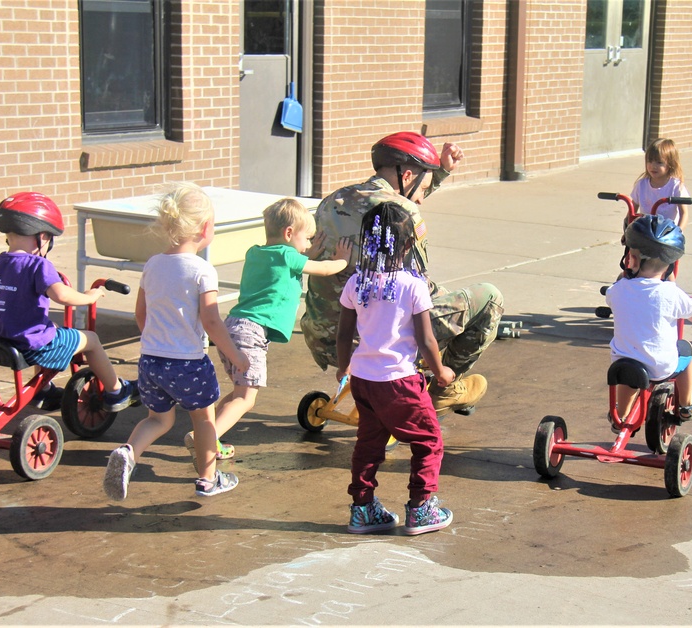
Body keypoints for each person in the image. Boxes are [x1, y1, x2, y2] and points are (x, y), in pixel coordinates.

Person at [301, 131, 503, 416]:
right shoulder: (407, 213)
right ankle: (444, 388)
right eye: (423, 189)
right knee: (488, 298)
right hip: (378, 344)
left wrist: (439, 173)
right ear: (408, 175)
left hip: (325, 339)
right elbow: (416, 284)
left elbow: (388, 204)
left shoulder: (333, 201)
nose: (421, 200)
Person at [103, 183, 247, 501]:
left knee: (157, 419)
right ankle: (208, 479)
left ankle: (129, 452)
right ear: (206, 228)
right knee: (205, 420)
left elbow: (141, 314)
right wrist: (235, 355)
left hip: (150, 360)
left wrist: (157, 341)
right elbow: (211, 321)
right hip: (189, 363)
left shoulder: (153, 265)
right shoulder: (202, 271)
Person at [337, 202, 456, 535]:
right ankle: (421, 508)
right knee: (429, 440)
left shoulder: (356, 282)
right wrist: (442, 371)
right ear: (407, 245)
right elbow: (427, 340)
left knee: (369, 443)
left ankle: (362, 509)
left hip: (362, 380)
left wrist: (342, 366)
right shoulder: (412, 285)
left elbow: (344, 332)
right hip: (399, 381)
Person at [203, 198, 352, 462]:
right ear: (289, 233)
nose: (308, 244)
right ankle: (205, 440)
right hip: (252, 332)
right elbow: (325, 269)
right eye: (307, 238)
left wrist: (304, 253)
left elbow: (280, 267)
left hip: (233, 327)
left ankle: (206, 433)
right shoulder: (287, 256)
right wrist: (342, 260)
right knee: (247, 399)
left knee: (239, 392)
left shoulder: (256, 252)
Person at [0, 192, 138, 413]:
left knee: (49, 327)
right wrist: (89, 296)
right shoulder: (38, 265)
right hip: (31, 345)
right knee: (90, 339)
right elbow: (62, 296)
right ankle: (116, 391)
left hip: (0, 340)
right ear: (43, 236)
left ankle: (44, 390)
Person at [605, 215, 692, 423]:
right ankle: (687, 404)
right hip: (659, 367)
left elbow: (623, 289)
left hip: (621, 365)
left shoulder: (617, 290)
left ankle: (621, 416)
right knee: (686, 349)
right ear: (669, 264)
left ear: (630, 258)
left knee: (629, 360)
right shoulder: (671, 293)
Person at [630, 138, 691, 229]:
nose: (653, 166)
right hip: (646, 230)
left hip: (667, 232)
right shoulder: (641, 185)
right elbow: (632, 211)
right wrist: (628, 230)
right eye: (650, 161)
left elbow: (684, 213)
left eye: (659, 163)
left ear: (670, 164)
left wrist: (678, 232)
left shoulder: (675, 186)